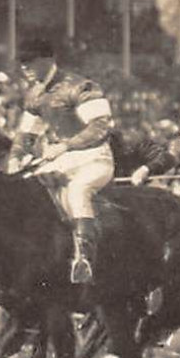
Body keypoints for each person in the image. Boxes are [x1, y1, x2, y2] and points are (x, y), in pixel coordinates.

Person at [14, 55, 115, 284]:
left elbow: (101, 127)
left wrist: (65, 145)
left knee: (78, 190)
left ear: (47, 60)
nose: (24, 68)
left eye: (29, 61)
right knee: (24, 186)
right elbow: (27, 134)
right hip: (60, 159)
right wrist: (16, 157)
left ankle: (84, 259)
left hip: (94, 158)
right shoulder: (35, 94)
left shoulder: (82, 87)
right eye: (21, 63)